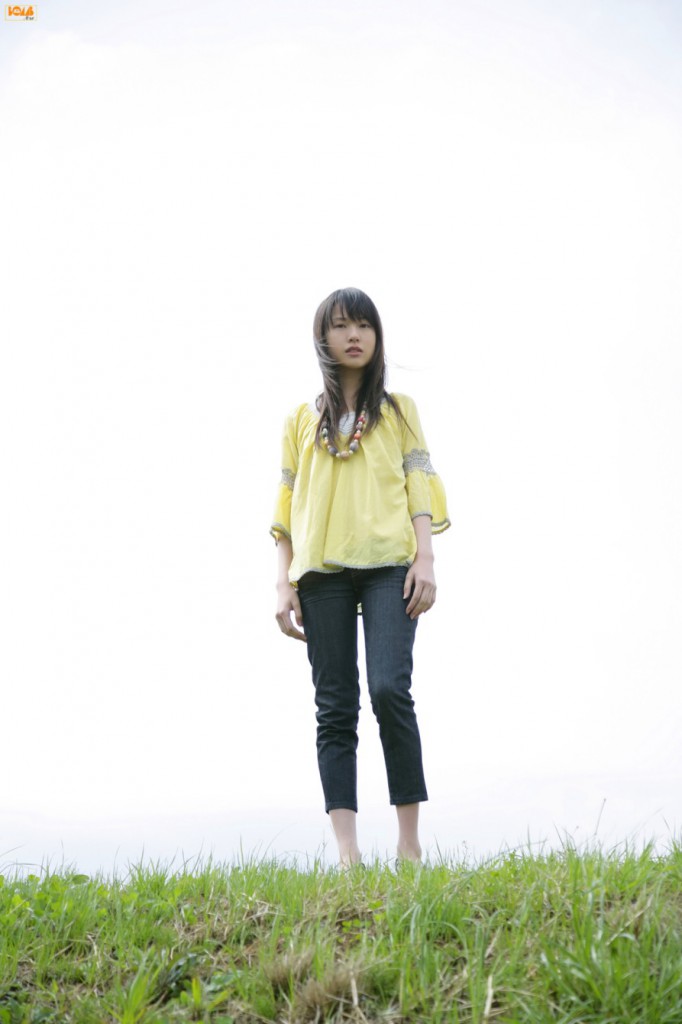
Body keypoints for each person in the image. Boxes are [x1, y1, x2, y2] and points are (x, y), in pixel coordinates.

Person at [271, 287, 450, 867]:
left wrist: (425, 558)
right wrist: (284, 582)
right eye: (342, 325)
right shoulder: (301, 420)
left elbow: (419, 483)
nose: (354, 335)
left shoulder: (399, 411)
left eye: (364, 325)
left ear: (377, 336)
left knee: (390, 689)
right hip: (320, 571)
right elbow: (286, 502)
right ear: (322, 337)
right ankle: (347, 854)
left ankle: (409, 844)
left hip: (389, 565)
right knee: (335, 706)